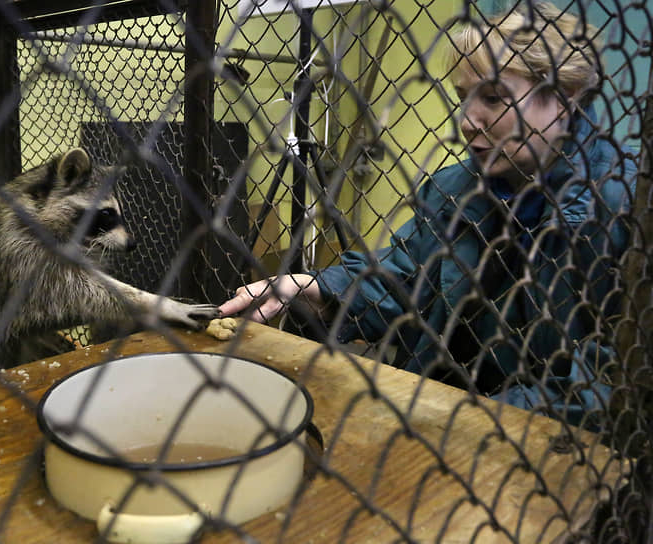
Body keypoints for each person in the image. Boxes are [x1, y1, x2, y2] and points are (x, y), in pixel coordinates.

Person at [219, 2, 637, 427]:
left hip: (554, 443)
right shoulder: (452, 189)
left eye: (492, 98)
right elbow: (403, 278)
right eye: (462, 98)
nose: (468, 121)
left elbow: (613, 380)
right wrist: (318, 287)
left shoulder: (628, 205)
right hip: (443, 413)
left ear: (564, 99)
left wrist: (475, 419)